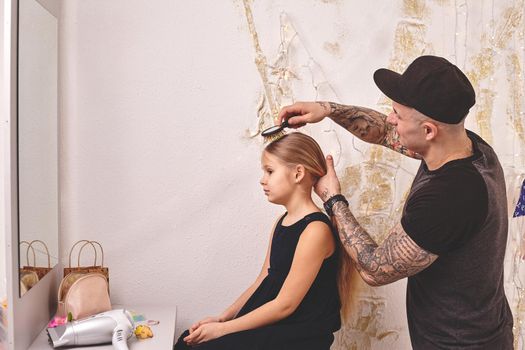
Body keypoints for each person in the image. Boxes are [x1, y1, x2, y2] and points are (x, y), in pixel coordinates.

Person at [277, 55, 513, 349]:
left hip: (460, 343)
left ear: (428, 130)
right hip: (484, 327)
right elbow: (387, 133)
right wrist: (327, 110)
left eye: (397, 114)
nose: (390, 119)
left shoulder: (448, 199)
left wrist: (333, 199)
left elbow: (375, 270)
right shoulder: (467, 146)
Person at [174, 133, 357, 350]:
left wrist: (223, 330)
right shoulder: (282, 221)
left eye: (270, 171)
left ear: (298, 173)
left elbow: (285, 305)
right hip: (274, 325)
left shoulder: (315, 230)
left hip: (295, 334)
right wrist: (222, 319)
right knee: (188, 341)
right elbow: (263, 279)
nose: (263, 179)